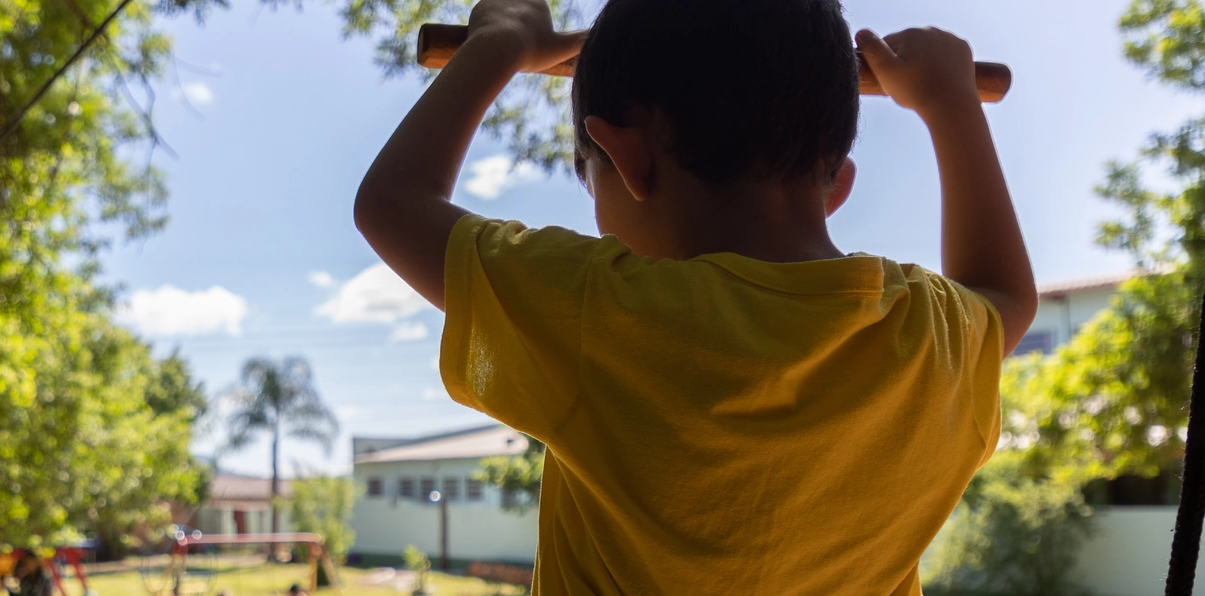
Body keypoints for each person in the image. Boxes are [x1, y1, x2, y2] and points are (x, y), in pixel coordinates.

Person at [353, 0, 1035, 593]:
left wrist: (500, 40)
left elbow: (392, 204)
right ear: (836, 184)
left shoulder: (611, 316)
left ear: (627, 158)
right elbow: (1003, 290)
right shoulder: (926, 338)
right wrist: (951, 104)